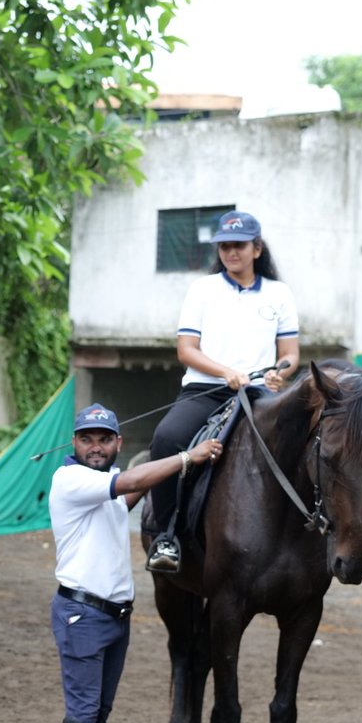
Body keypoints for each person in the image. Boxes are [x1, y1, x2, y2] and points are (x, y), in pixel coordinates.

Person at [49, 403, 220, 723]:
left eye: (105, 439)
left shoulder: (101, 490)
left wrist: (168, 474)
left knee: (98, 713)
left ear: (118, 444)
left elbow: (129, 495)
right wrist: (188, 457)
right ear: (75, 444)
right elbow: (131, 483)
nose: (96, 447)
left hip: (114, 616)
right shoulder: (72, 480)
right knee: (82, 715)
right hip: (82, 615)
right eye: (88, 439)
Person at [145, 210, 299, 571]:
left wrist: (280, 373)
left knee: (307, 445)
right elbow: (187, 350)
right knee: (166, 439)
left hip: (260, 395)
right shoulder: (203, 289)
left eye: (239, 245)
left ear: (257, 249)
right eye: (225, 246)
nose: (231, 252)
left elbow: (290, 355)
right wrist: (226, 372)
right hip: (206, 390)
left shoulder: (279, 293)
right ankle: (166, 536)